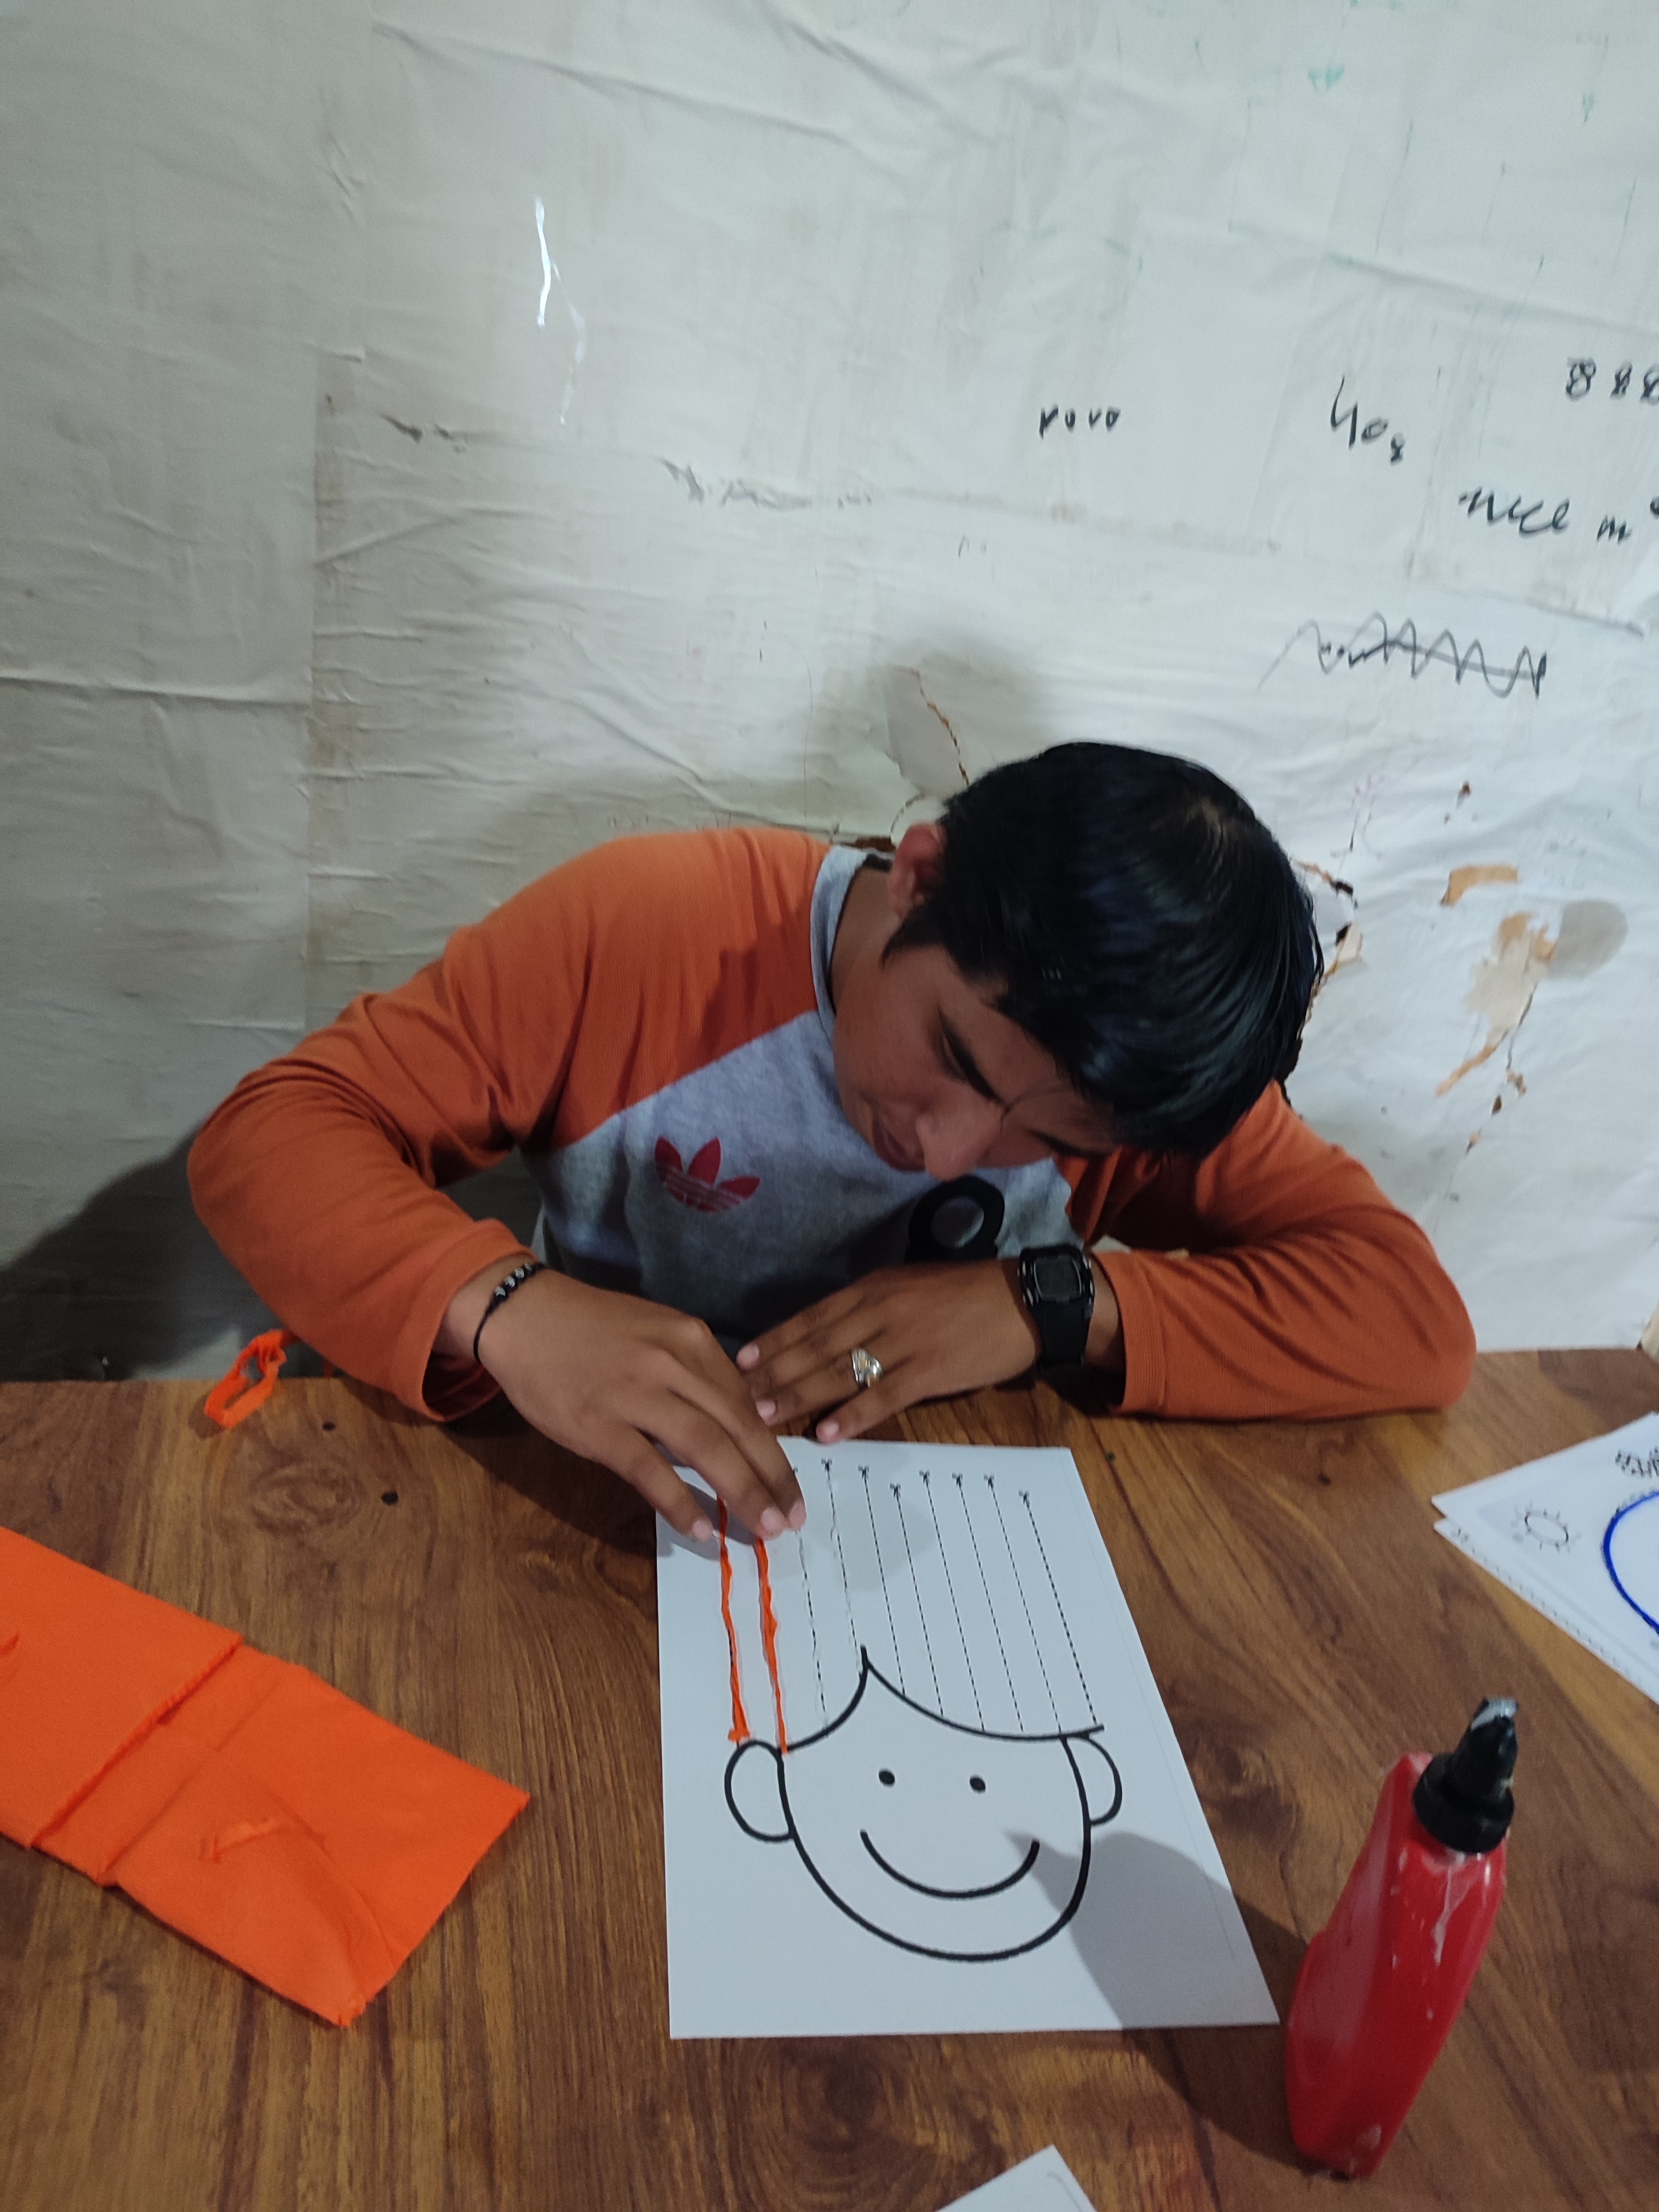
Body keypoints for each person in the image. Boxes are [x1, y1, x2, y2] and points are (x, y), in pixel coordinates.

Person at [189, 742, 1475, 1545]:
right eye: (955, 1055)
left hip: (933, 1542)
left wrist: (1048, 1300)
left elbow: (1411, 1316)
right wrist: (516, 1310)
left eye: (1041, 1137)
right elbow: (271, 1133)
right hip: (585, 1518)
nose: (948, 1149)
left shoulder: (1128, 1067)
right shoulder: (650, 931)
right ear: (918, 876)